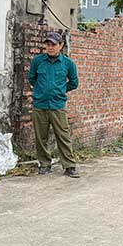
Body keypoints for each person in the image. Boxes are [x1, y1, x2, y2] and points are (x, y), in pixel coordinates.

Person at [28, 32, 79, 178]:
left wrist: (60, 90)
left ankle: (69, 166)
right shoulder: (37, 61)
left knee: (63, 136)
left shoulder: (68, 63)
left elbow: (74, 83)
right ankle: (44, 165)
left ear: (61, 45)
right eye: (48, 44)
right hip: (40, 105)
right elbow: (32, 79)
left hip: (58, 106)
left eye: (53, 44)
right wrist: (41, 91)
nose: (50, 47)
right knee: (41, 137)